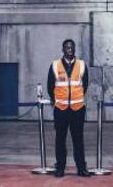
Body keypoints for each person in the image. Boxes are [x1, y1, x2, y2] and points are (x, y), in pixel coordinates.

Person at [47, 39, 90, 178]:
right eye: (67, 48)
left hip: (77, 109)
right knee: (60, 139)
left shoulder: (82, 65)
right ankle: (60, 168)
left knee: (78, 139)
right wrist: (57, 101)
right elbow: (50, 86)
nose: (69, 50)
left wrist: (76, 99)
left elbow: (85, 85)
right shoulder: (54, 65)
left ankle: (81, 168)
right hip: (60, 109)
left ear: (74, 49)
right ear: (63, 49)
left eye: (71, 48)